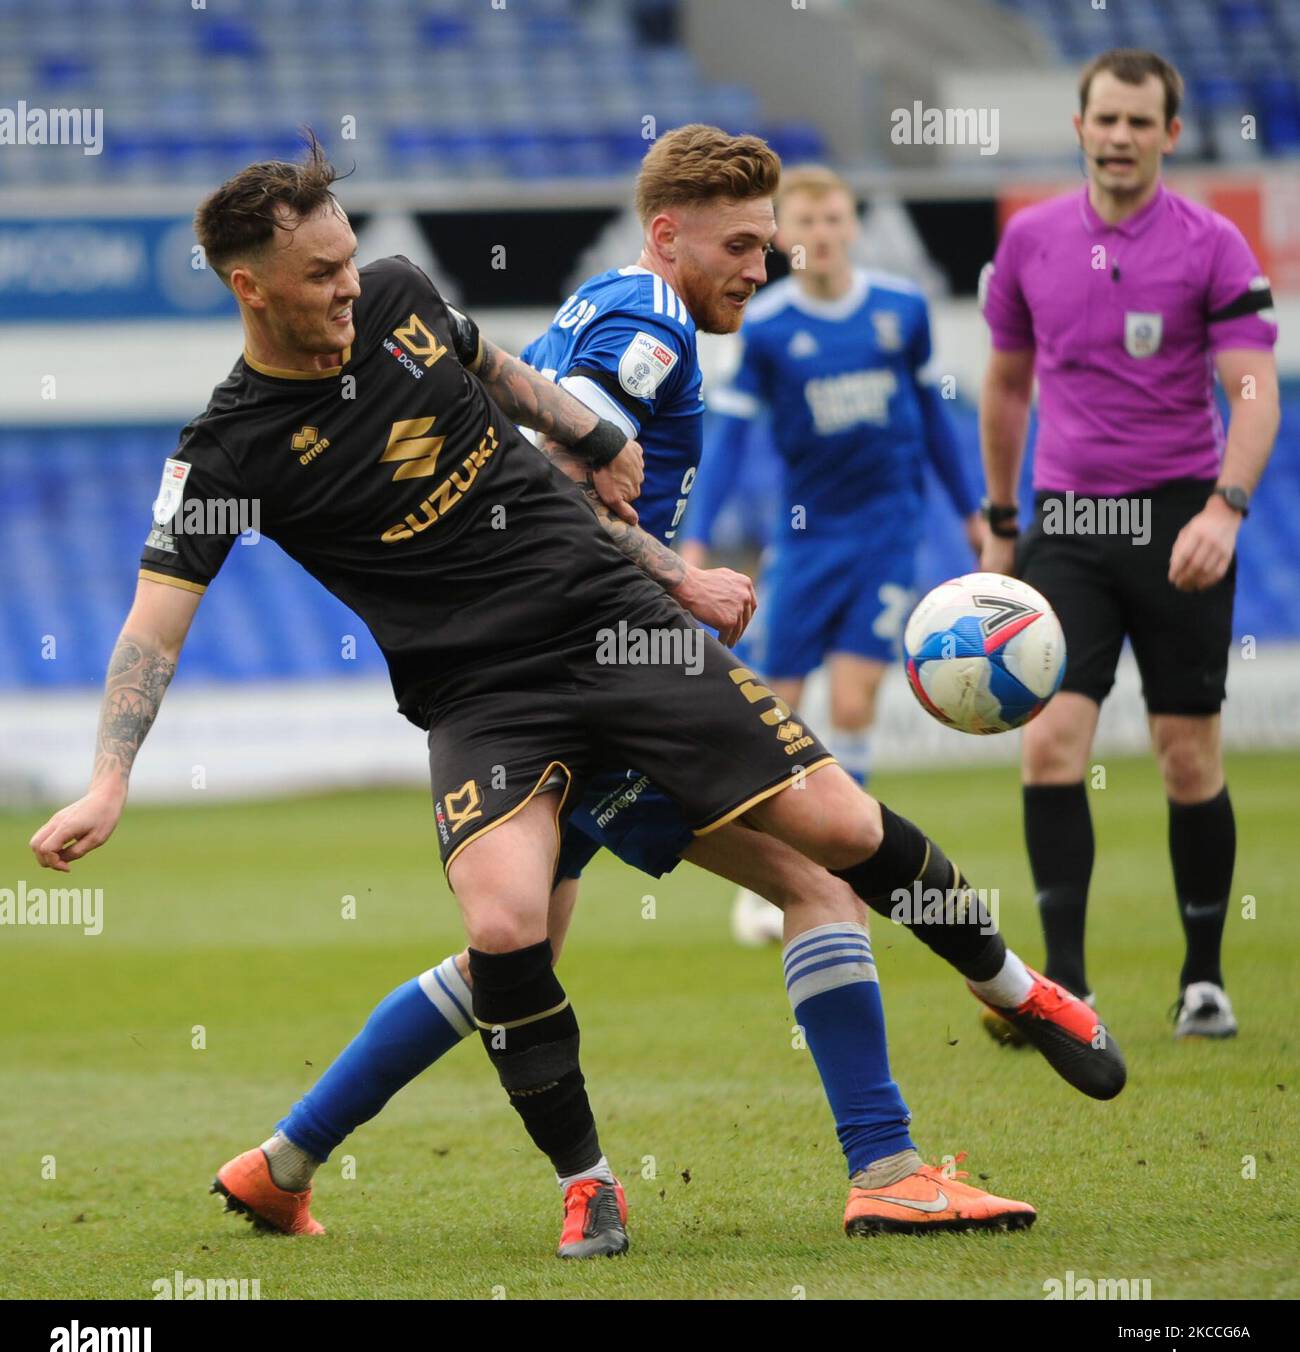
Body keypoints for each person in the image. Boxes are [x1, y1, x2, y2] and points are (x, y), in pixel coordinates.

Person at [30, 134, 1121, 1263]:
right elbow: (154, 621)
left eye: (350, 259)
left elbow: (484, 361)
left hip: (613, 634)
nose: (350, 285)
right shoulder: (225, 454)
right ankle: (600, 1181)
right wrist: (111, 778)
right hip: (479, 691)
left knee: (834, 837)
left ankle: (1019, 996)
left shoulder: (396, 295)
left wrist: (586, 428)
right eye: (320, 275)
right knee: (510, 931)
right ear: (247, 286)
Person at [978, 49, 1279, 1043]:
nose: (1118, 137)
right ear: (1079, 128)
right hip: (1066, 522)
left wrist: (1224, 510)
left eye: (1137, 122)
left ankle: (1202, 979)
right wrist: (1000, 517)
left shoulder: (1213, 243)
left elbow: (1250, 389)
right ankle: (1065, 988)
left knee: (1185, 753)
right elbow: (1008, 385)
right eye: (1103, 119)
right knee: (1050, 741)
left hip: (1179, 522)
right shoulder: (1029, 241)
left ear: (1166, 134)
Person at [678, 163, 983, 940]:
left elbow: (932, 416)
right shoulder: (769, 328)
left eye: (833, 222)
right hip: (805, 540)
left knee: (852, 703)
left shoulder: (901, 310)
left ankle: (847, 871)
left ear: (851, 227)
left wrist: (971, 508)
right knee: (777, 707)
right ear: (788, 241)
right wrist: (701, 532)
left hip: (888, 530)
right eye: (804, 226)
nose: (821, 236)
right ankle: (776, 873)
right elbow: (735, 435)